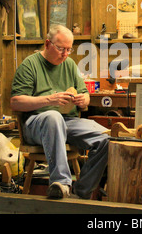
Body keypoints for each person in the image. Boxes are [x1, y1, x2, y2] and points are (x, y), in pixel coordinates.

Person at [10, 24, 109, 199]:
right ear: (47, 44)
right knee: (53, 116)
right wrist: (50, 99)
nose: (65, 54)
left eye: (69, 50)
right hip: (36, 123)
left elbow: (85, 94)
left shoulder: (69, 64)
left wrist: (82, 99)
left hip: (67, 122)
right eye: (61, 49)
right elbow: (16, 102)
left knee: (106, 139)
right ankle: (61, 184)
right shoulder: (30, 65)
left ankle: (81, 191)